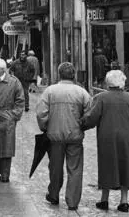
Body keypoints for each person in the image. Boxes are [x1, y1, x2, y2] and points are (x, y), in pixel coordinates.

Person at [81, 70, 129, 213]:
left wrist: (80, 125)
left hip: (107, 136)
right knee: (126, 164)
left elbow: (91, 118)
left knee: (106, 164)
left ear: (107, 82)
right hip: (127, 136)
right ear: (122, 82)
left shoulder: (100, 98)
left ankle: (104, 199)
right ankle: (123, 201)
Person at [35, 62, 92, 211]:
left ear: (59, 74)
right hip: (75, 136)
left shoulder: (50, 91)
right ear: (73, 75)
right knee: (75, 169)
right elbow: (89, 113)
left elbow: (41, 113)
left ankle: (53, 195)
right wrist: (82, 126)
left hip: (54, 137)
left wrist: (45, 127)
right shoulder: (82, 92)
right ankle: (72, 201)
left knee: (55, 167)